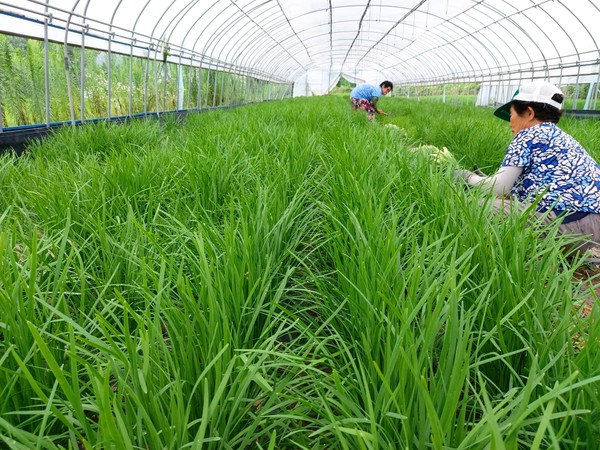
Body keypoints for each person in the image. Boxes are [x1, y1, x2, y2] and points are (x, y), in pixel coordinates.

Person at [455, 81, 600, 255]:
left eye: (511, 114)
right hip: (592, 226)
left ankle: (502, 254)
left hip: (567, 224)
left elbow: (499, 186)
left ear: (529, 113)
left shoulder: (527, 134)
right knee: (507, 202)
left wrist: (468, 177)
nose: (510, 122)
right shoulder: (562, 138)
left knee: (473, 206)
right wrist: (487, 178)